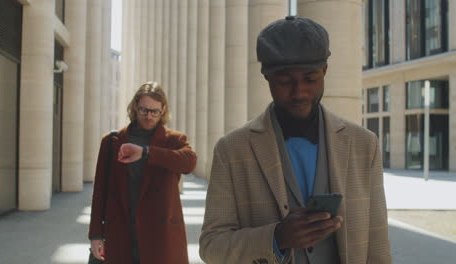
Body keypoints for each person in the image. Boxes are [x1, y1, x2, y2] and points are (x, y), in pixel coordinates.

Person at [199, 16, 391, 264]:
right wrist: (276, 238)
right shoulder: (231, 150)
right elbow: (211, 246)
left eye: (310, 79)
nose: (299, 91)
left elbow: (377, 243)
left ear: (325, 71)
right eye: (285, 81)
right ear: (266, 77)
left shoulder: (364, 145)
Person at [88, 81, 197, 264]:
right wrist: (95, 235)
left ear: (163, 111)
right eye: (143, 110)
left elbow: (189, 162)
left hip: (160, 234)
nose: (149, 116)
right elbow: (100, 191)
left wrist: (147, 152)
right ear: (134, 108)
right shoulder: (112, 141)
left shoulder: (173, 140)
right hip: (121, 230)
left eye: (155, 111)